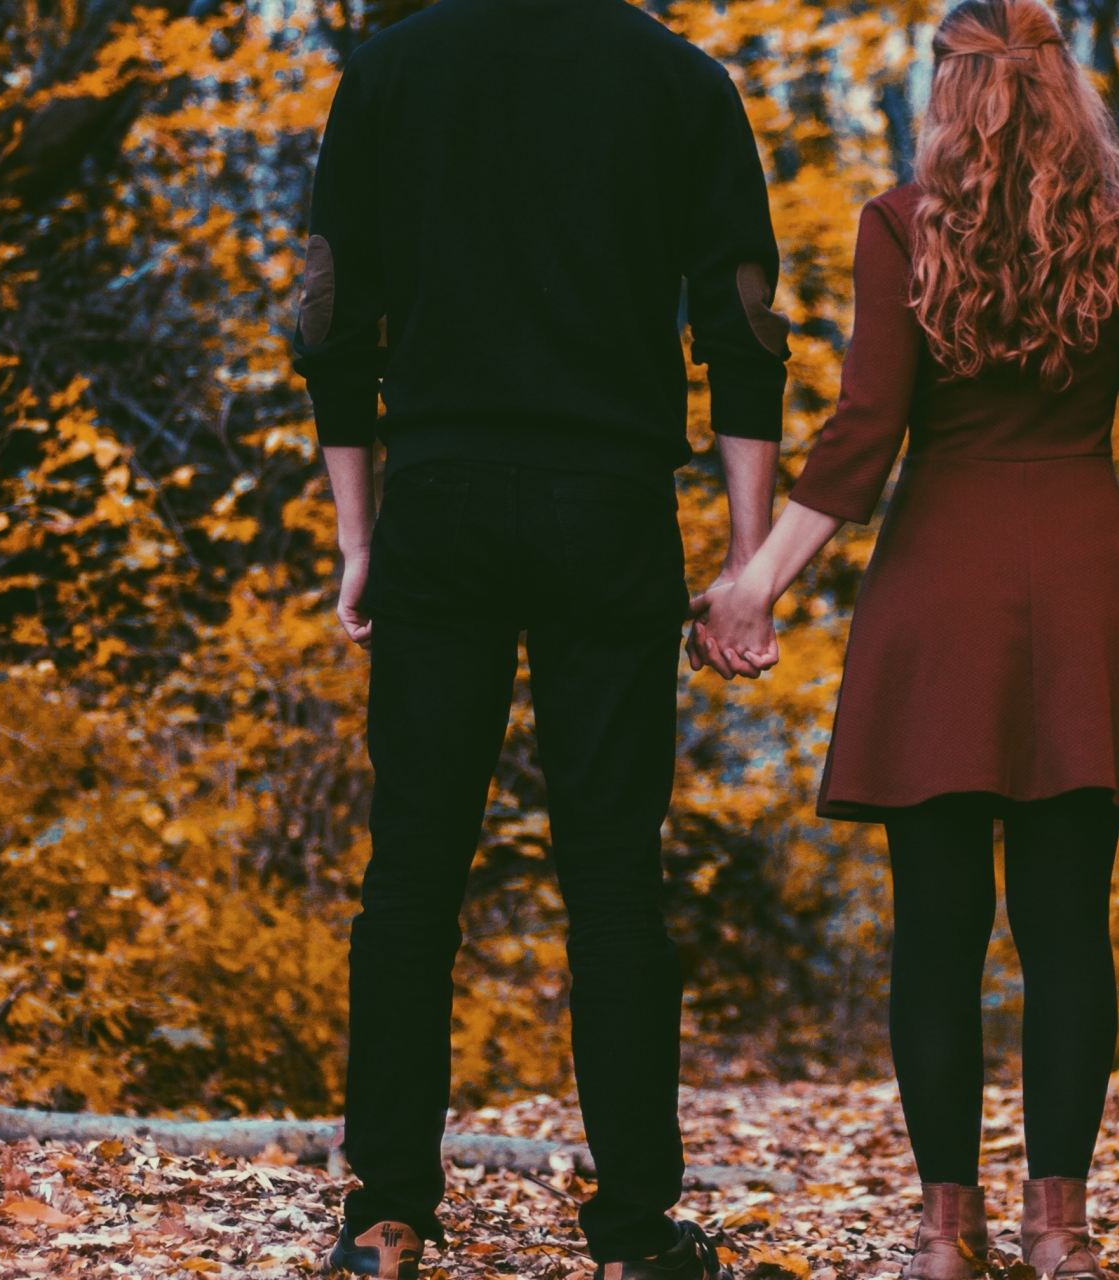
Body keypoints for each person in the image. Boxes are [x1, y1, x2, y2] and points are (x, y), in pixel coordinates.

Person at [689, 2, 1119, 1276]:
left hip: (937, 602)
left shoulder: (899, 225)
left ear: (948, 93)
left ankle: (941, 1235)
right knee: (1070, 928)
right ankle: (1060, 1231)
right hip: (1086, 599)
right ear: (1067, 90)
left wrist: (757, 580)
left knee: (936, 929)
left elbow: (865, 434)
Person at [289, 1, 791, 1276]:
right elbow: (740, 326)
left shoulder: (391, 71)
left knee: (411, 872)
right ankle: (633, 1232)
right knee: (616, 873)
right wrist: (747, 560)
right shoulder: (681, 82)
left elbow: (334, 316)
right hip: (609, 509)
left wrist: (360, 534)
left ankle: (386, 1215)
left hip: (444, 501)